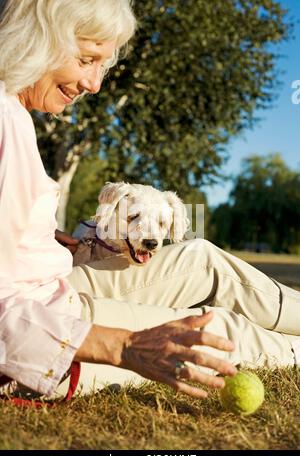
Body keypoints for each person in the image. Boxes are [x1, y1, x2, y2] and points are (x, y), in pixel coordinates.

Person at [0, 0, 299, 402]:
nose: (94, 84)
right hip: (41, 328)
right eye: (87, 59)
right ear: (35, 38)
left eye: (100, 65)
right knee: (220, 330)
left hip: (52, 286)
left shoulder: (14, 109)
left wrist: (38, 234)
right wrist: (123, 346)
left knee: (202, 258)